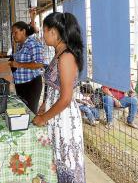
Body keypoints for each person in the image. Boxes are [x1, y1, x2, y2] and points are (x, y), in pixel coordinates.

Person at [32, 12, 85, 183]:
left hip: (64, 119)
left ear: (53, 32)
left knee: (67, 165)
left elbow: (66, 98)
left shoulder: (66, 57)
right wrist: (44, 105)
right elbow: (53, 85)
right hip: (55, 115)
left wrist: (43, 118)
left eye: (44, 31)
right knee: (56, 164)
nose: (42, 35)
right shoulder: (58, 54)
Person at [9, 21, 44, 114]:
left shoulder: (32, 43)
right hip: (21, 84)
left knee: (30, 112)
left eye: (15, 32)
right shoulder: (21, 45)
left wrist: (18, 64)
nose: (13, 35)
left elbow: (39, 64)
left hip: (31, 84)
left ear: (23, 31)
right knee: (23, 112)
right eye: (12, 33)